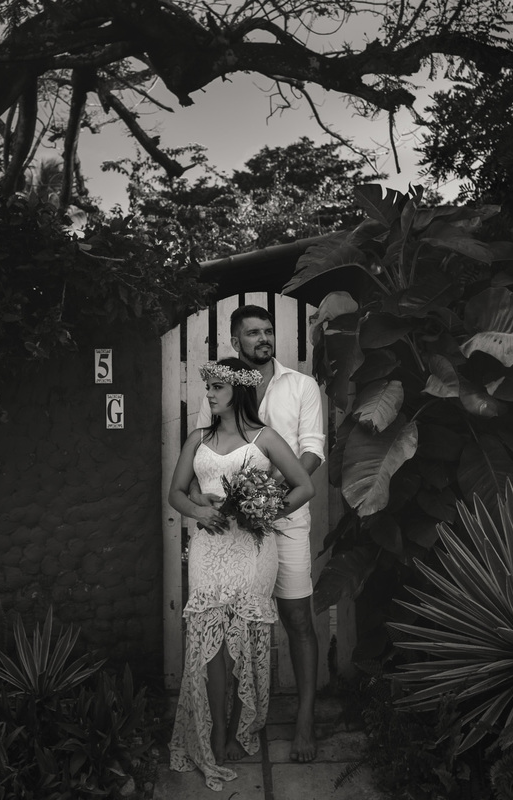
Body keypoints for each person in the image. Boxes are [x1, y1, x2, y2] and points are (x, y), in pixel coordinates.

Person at [168, 358, 315, 791]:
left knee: (241, 642)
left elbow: (303, 486)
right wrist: (199, 510)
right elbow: (175, 493)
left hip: (252, 549)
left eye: (216, 387)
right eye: (208, 388)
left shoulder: (265, 438)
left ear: (237, 391)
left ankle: (236, 729)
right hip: (209, 548)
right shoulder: (197, 439)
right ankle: (214, 732)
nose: (209, 395)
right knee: (210, 641)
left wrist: (266, 512)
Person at [192, 305, 325, 763]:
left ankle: (305, 721)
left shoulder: (301, 386)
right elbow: (204, 450)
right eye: (252, 333)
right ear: (235, 342)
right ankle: (231, 725)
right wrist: (204, 505)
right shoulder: (220, 383)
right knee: (230, 630)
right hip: (229, 533)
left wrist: (265, 501)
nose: (263, 339)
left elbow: (312, 453)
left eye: (268, 331)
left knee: (297, 619)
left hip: (286, 523)